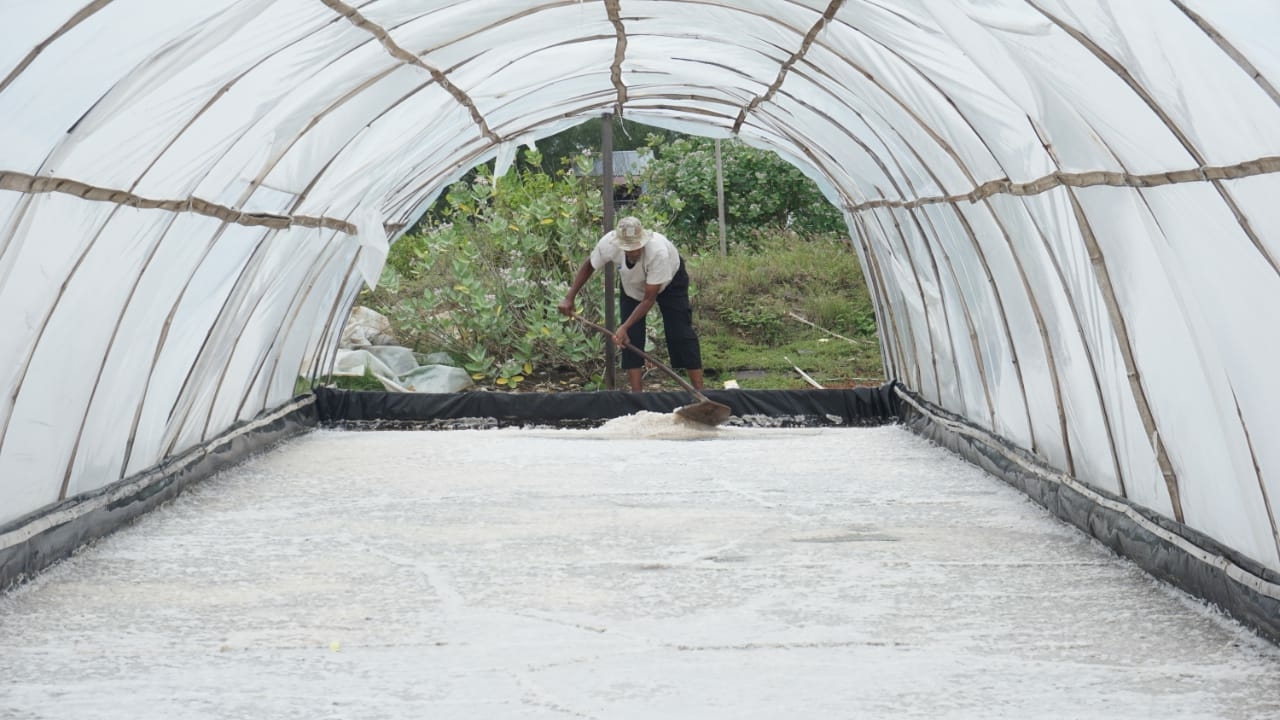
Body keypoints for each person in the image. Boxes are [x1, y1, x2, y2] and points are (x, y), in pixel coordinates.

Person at [557, 216, 705, 391]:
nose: (633, 252)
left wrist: (624, 326)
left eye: (636, 247)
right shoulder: (608, 244)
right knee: (630, 340)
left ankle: (700, 393)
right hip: (632, 284)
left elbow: (649, 299)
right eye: (628, 249)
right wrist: (569, 297)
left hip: (670, 282)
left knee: (680, 333)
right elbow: (589, 265)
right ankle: (637, 398)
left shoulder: (658, 252)